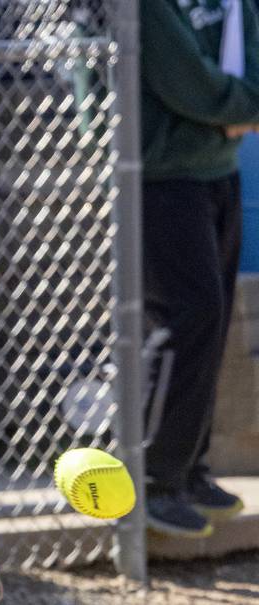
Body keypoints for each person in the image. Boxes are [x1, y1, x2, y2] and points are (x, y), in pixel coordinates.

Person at [140, 0, 257, 538]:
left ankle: (190, 469)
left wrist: (241, 105)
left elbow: (249, 51)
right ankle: (154, 479)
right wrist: (242, 108)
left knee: (215, 319)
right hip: (161, 175)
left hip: (219, 171)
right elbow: (182, 80)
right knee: (190, 315)